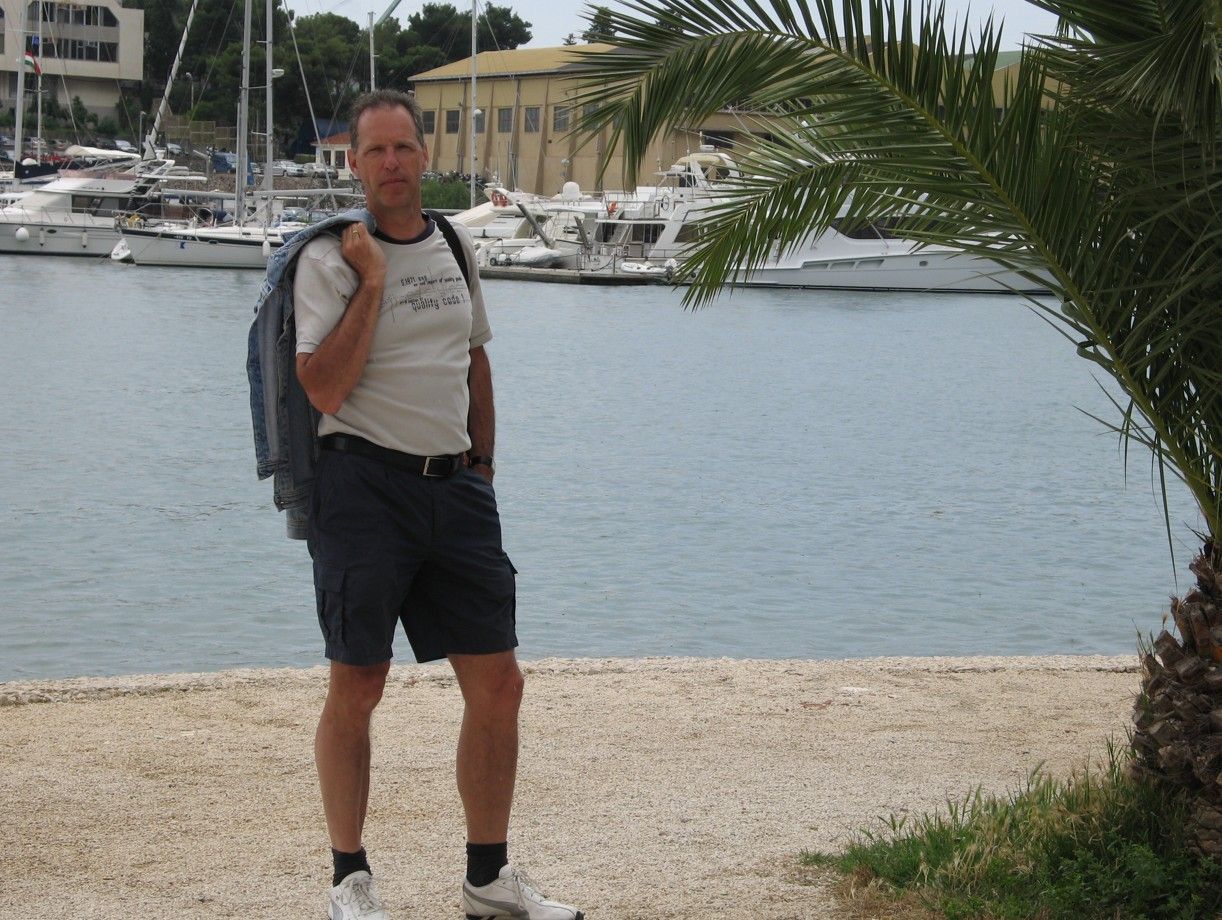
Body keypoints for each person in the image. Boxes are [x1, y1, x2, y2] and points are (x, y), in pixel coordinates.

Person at [293, 89, 583, 920]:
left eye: (404, 149)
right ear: (353, 163)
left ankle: (488, 880)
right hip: (361, 488)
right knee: (360, 683)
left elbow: (475, 359)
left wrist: (481, 465)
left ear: (425, 157)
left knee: (498, 683)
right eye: (375, 151)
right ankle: (350, 878)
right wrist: (373, 281)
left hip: (455, 488)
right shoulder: (329, 259)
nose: (392, 163)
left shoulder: (457, 243)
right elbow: (325, 385)